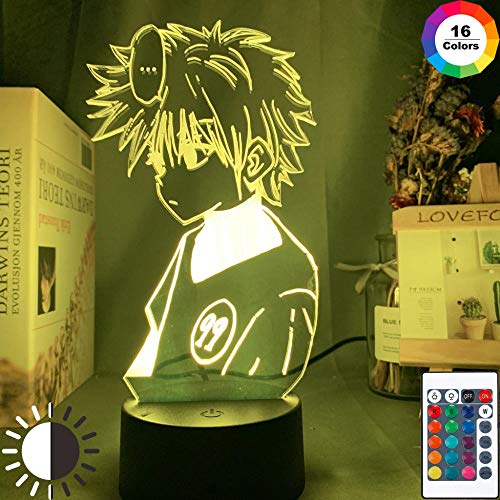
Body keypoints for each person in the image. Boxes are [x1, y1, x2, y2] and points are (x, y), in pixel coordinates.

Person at [87, 21, 318, 401]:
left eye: (195, 153)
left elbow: (258, 386)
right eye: (161, 156)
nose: (167, 174)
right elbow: (152, 359)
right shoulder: (192, 245)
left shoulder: (287, 277)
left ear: (255, 159)